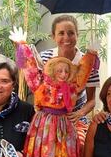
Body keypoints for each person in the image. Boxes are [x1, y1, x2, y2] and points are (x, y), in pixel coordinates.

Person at [9, 27, 97, 157]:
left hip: (66, 127)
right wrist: (21, 44)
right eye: (59, 70)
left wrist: (91, 54)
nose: (63, 74)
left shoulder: (73, 87)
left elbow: (82, 73)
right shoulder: (41, 86)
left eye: (66, 71)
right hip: (43, 128)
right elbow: (30, 68)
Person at [40, 15, 100, 143]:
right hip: (49, 118)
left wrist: (80, 113)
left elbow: (92, 101)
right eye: (61, 33)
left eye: (71, 33)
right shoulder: (44, 58)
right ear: (53, 36)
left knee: (78, 146)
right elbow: (38, 89)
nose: (66, 37)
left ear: (77, 35)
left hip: (75, 118)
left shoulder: (88, 63)